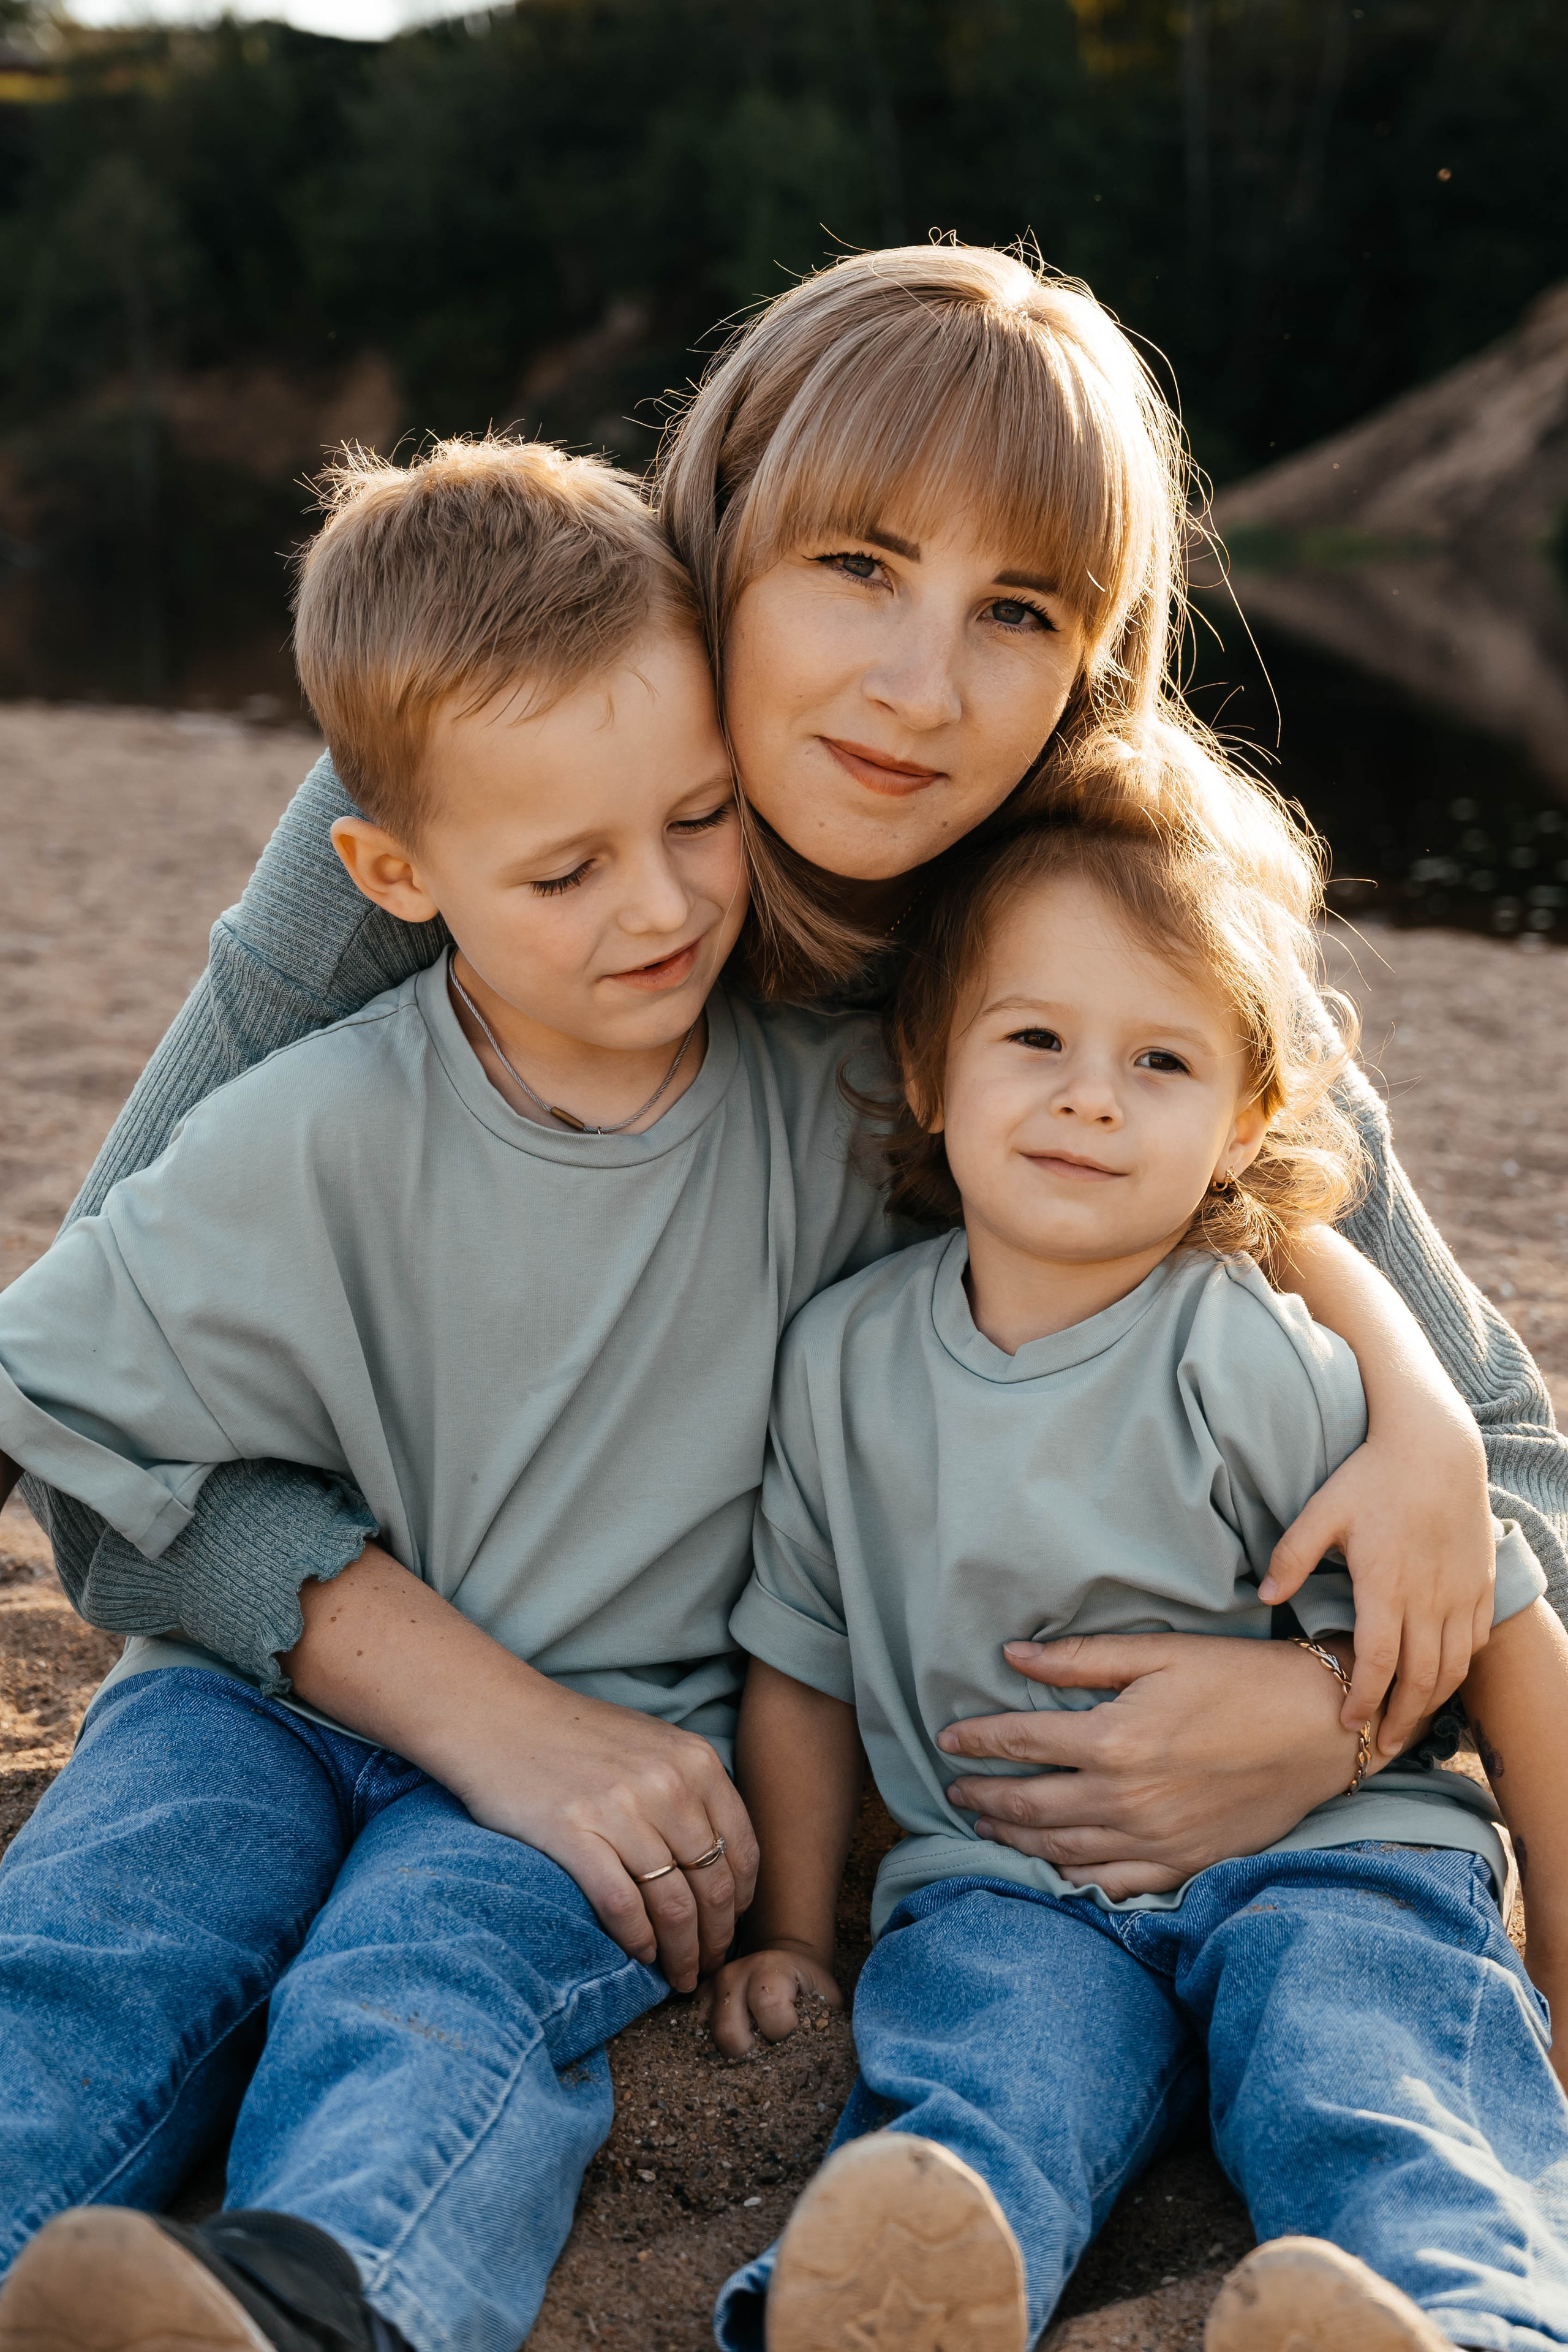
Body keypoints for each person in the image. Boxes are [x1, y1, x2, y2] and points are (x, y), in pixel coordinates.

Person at [24, 246, 1564, 1901]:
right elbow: (87, 1448)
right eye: (855, 564)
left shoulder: (1119, 907)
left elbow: (1515, 1470)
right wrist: (497, 1721)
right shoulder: (478, 779)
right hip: (427, 1709)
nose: (918, 692)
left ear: (1091, 661)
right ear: (722, 538)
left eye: (1018, 612)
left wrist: (1334, 1705)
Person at [0, 435, 904, 2352]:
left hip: (615, 1744)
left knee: (425, 1994)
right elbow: (55, 1389)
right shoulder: (309, 1123)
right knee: (98, 1938)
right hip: (249, 1702)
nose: (658, 907)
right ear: (393, 875)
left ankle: (324, 2306)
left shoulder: (828, 1112)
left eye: (701, 818)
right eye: (565, 869)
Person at [703, 798, 1568, 2352]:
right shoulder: (840, 1362)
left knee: (1363, 2066)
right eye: (1033, 1039)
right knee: (976, 2077)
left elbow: (1506, 1630)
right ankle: (890, 2314)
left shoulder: (1248, 1351)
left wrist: (1559, 1943)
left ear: (1243, 1122)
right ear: (928, 1071)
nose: (1088, 1097)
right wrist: (788, 1932)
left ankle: (1460, 2322)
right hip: (1006, 1884)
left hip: (1326, 1857)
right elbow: (803, 1663)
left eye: (1159, 1061)